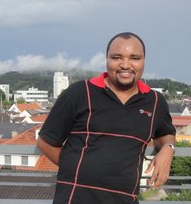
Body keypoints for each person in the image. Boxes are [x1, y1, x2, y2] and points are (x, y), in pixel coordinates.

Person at [37, 32, 176, 204]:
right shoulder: (79, 92)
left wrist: (168, 149)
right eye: (117, 57)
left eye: (134, 58)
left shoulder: (155, 102)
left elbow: (166, 134)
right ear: (106, 59)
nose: (125, 65)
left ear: (143, 61)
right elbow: (45, 142)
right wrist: (78, 170)